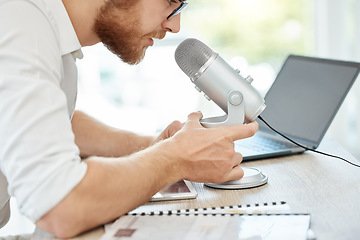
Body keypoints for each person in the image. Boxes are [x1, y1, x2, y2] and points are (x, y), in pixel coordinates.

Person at [0, 0, 258, 237]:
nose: (175, 26)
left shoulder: (48, 32)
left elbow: (48, 125)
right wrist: (175, 159)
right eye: (170, 2)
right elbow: (61, 206)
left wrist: (153, 146)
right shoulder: (20, 21)